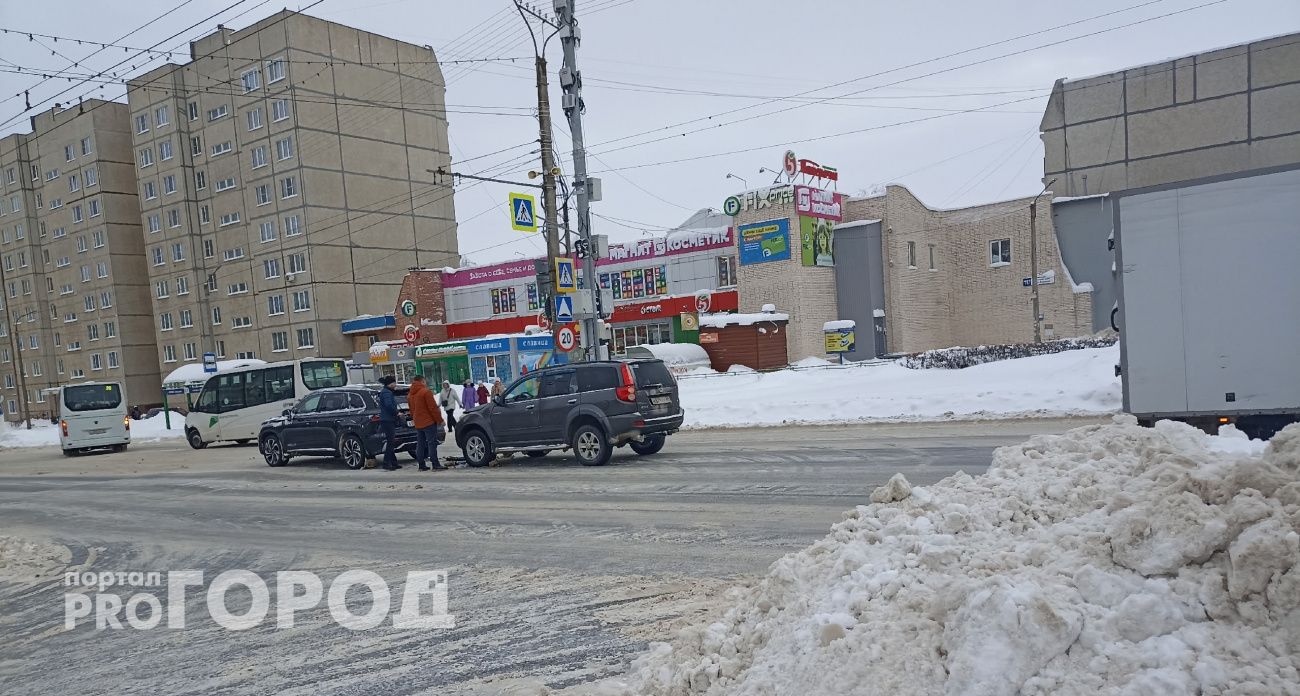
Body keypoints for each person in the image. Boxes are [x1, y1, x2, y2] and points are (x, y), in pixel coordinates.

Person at [407, 375, 445, 471]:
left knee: (420, 443)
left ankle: (421, 464)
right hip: (428, 422)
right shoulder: (426, 392)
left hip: (418, 422)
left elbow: (411, 410)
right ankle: (435, 464)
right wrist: (440, 420)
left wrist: (414, 419)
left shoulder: (410, 394)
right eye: (425, 381)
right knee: (432, 443)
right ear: (422, 381)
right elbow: (433, 408)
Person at [376, 375, 402, 471]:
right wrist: (397, 413)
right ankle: (386, 463)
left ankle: (393, 462)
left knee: (391, 441)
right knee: (390, 442)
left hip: (387, 419)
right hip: (387, 420)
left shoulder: (386, 391)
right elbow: (389, 405)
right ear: (390, 384)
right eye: (394, 383)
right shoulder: (387, 393)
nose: (395, 384)